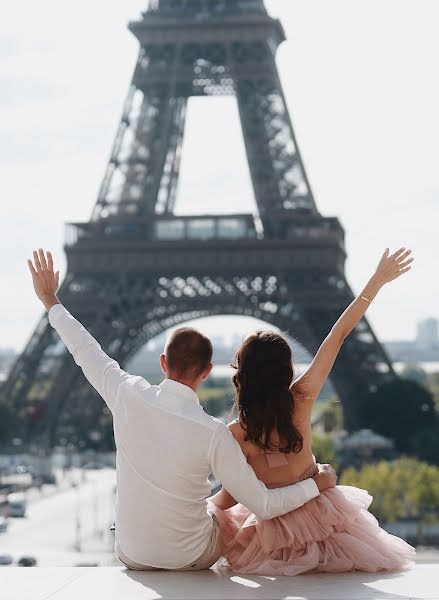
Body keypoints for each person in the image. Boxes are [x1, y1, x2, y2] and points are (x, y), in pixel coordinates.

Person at [27, 248, 337, 571]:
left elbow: (84, 348)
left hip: (131, 554)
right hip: (191, 558)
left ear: (163, 363)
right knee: (231, 516)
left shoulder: (126, 393)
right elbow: (264, 504)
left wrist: (51, 300)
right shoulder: (214, 432)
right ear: (206, 372)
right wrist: (318, 483)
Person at [210, 247, 417, 575]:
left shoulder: (236, 432)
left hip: (270, 537)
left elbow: (231, 495)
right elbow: (337, 336)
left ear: (243, 373)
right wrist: (376, 282)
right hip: (325, 519)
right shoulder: (301, 399)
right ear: (286, 370)